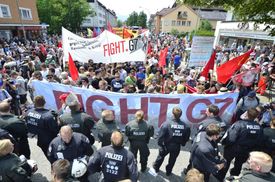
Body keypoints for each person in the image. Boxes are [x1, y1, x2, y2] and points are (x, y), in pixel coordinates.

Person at [219, 108, 263, 180]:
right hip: (247, 150)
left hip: (234, 149)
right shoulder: (259, 127)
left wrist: (225, 145)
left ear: (247, 114)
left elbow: (231, 139)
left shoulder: (239, 124)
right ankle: (233, 178)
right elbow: (259, 141)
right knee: (238, 165)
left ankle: (220, 178)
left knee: (226, 163)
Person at [151, 106, 190, 176]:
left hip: (166, 145)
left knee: (160, 157)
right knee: (172, 160)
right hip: (177, 146)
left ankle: (156, 168)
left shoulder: (166, 124)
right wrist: (183, 143)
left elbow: (160, 136)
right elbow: (186, 138)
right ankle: (168, 171)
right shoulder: (186, 126)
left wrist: (160, 145)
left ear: (173, 114)